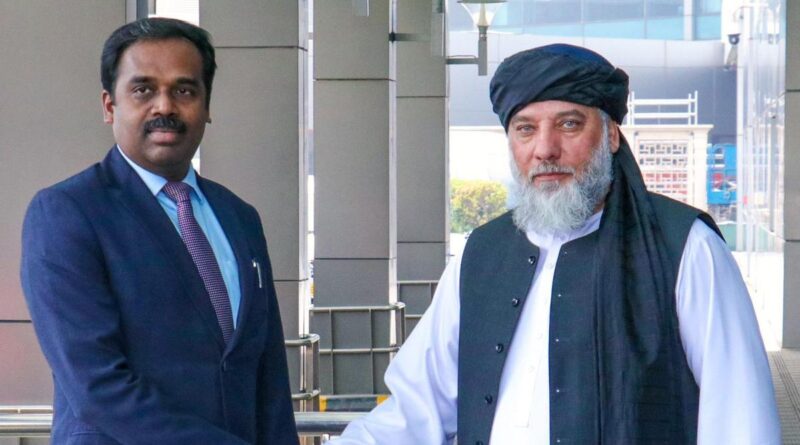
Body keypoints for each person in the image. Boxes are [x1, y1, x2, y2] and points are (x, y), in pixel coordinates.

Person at [332, 44, 780, 444]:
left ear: (610, 135)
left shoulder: (686, 247)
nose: (545, 149)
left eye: (568, 124)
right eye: (525, 129)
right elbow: (416, 412)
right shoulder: (480, 255)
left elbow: (741, 422)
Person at [20, 18, 298, 444]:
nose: (164, 107)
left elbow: (268, 374)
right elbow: (98, 386)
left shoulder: (240, 217)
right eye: (143, 90)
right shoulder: (67, 213)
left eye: (184, 91)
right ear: (109, 105)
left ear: (207, 106)